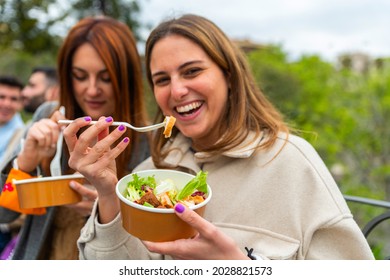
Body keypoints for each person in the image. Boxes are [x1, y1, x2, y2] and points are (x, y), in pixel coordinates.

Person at [63, 14, 374, 260]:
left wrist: (242, 267)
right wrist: (108, 192)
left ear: (228, 74)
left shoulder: (293, 163)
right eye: (162, 79)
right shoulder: (147, 176)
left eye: (192, 71)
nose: (177, 90)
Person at [0, 15, 150, 259]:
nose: (92, 90)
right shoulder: (50, 117)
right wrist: (24, 165)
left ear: (126, 78)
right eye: (80, 76)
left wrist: (109, 209)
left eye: (106, 77)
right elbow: (3, 213)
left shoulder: (143, 140)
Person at [0, 75, 25, 169]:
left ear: (21, 103)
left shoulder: (21, 135)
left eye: (13, 99)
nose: (7, 104)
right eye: (2, 97)